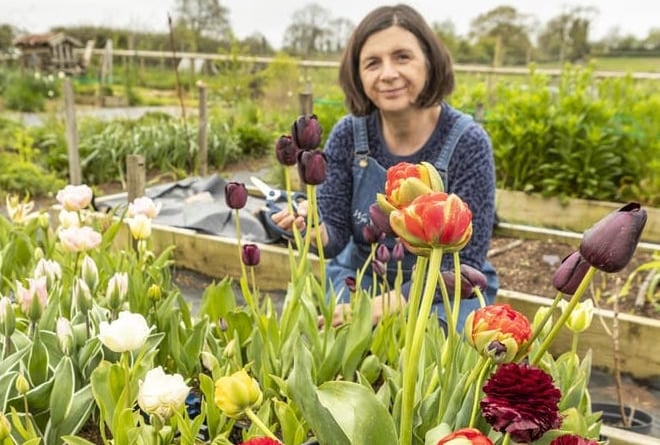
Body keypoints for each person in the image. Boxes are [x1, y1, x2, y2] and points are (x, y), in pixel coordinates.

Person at [272, 4, 498, 329]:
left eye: (402, 57)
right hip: (362, 274)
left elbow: (467, 262)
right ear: (358, 74)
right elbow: (334, 235)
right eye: (372, 63)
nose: (388, 73)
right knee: (327, 338)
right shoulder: (349, 134)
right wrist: (310, 228)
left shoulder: (467, 143)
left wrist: (383, 307)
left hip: (442, 288)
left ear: (430, 63)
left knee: (432, 347)